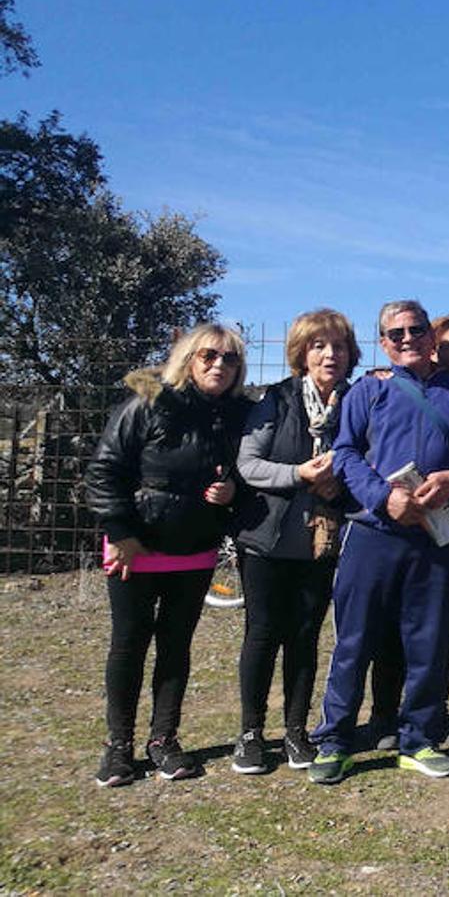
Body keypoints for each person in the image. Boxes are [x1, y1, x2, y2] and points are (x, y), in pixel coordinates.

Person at [309, 300, 449, 784]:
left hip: (436, 537)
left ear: (431, 339)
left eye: (416, 330)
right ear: (382, 343)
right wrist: (380, 498)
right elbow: (345, 451)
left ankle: (418, 739)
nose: (407, 339)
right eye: (396, 334)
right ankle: (335, 741)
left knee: (429, 642)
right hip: (373, 533)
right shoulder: (367, 390)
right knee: (354, 640)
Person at [86, 323, 251, 785]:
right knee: (128, 644)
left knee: (175, 648)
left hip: (196, 548)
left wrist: (231, 491)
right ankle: (118, 746)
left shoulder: (236, 414)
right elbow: (105, 470)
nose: (219, 365)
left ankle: (164, 740)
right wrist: (119, 532)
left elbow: (246, 471)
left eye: (230, 358)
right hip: (135, 546)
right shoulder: (149, 402)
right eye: (209, 356)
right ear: (188, 358)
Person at [230, 309, 359, 775]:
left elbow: (368, 461)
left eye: (339, 346)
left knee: (305, 636)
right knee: (262, 635)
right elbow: (249, 464)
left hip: (322, 542)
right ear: (301, 354)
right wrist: (299, 475)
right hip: (266, 537)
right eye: (319, 346)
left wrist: (338, 485)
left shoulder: (359, 402)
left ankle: (297, 732)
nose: (330, 354)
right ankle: (250, 734)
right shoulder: (276, 400)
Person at [367, 312, 449, 751]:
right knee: (392, 623)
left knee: (445, 624)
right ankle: (384, 713)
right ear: (435, 346)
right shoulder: (406, 387)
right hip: (403, 520)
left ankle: (432, 710)